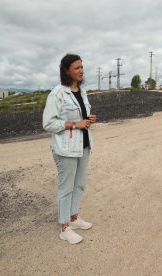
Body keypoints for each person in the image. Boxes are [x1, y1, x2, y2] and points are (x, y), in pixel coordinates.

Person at [43, 54, 97, 244]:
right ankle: (64, 227)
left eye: (82, 67)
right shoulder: (58, 93)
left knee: (79, 184)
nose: (81, 71)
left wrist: (89, 120)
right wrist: (76, 124)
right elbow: (48, 123)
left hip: (83, 145)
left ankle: (74, 218)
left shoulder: (82, 92)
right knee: (66, 188)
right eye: (76, 68)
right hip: (65, 148)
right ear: (67, 71)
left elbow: (83, 118)